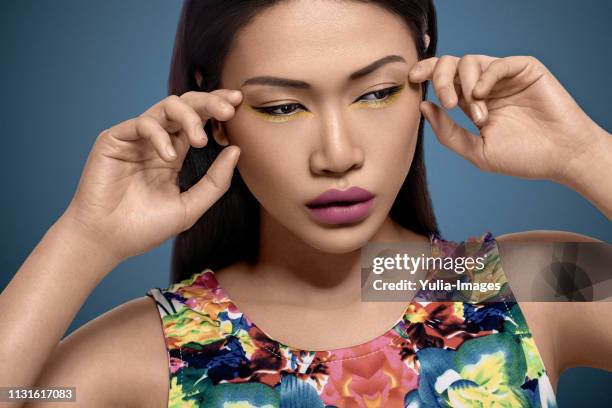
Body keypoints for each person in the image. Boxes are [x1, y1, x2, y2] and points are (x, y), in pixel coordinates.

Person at [1, 0, 610, 407]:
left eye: (375, 92)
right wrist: (85, 237)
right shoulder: (148, 351)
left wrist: (584, 154)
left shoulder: (520, 285)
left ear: (422, 79)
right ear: (214, 117)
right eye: (283, 107)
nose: (337, 154)